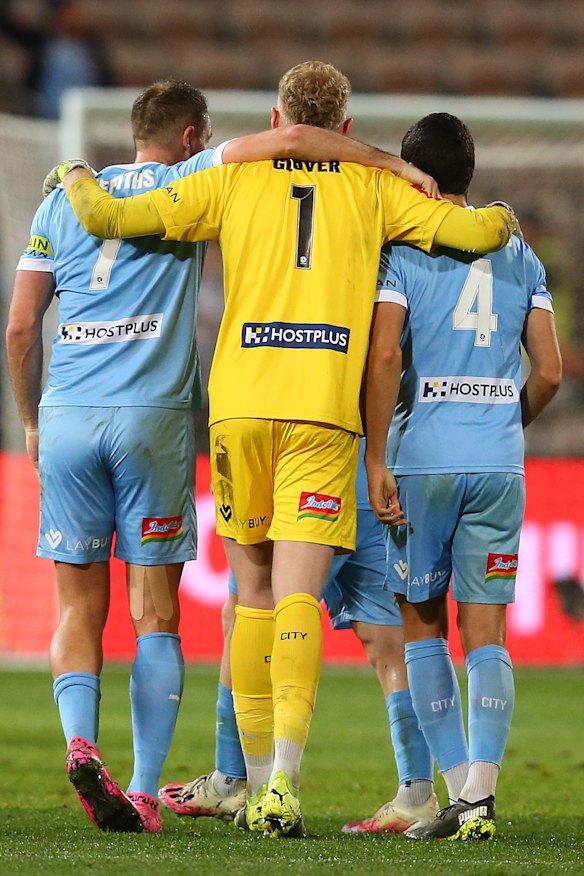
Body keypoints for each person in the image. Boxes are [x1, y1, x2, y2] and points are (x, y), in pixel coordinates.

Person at [58, 61, 517, 837]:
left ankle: (254, 780)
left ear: (276, 117)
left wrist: (73, 176)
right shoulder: (375, 188)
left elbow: (108, 218)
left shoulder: (231, 175)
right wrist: (491, 210)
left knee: (252, 597)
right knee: (302, 595)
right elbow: (479, 231)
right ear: (344, 129)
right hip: (324, 414)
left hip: (240, 409)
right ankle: (284, 789)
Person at [364, 113, 562, 841]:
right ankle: (479, 795)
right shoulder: (520, 251)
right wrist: (505, 424)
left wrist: (377, 454)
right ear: (471, 171)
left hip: (423, 460)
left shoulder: (405, 248)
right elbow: (550, 371)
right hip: (497, 461)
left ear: (415, 175)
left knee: (421, 624)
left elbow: (386, 359)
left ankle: (455, 794)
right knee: (488, 633)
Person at [158, 442, 438, 835]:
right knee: (389, 645)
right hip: (373, 480)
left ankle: (232, 779)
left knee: (249, 613)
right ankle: (417, 793)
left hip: (308, 475)